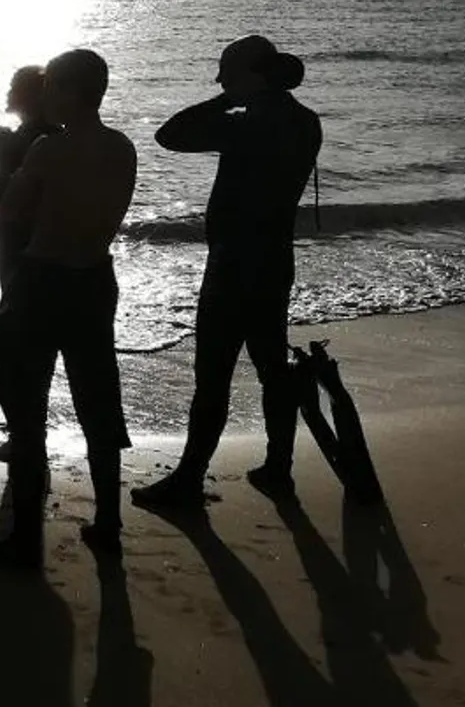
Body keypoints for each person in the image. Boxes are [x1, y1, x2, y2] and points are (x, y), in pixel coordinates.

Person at [132, 34, 322, 509]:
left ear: (253, 76)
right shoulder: (305, 121)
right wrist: (240, 97)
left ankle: (189, 479)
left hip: (234, 265)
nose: (220, 81)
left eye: (227, 74)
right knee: (271, 368)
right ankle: (278, 467)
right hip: (274, 260)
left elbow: (169, 134)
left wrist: (225, 102)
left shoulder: (249, 124)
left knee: (213, 378)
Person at [0, 49, 137, 565]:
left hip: (43, 279)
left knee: (27, 406)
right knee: (97, 399)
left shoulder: (48, 150)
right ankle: (107, 522)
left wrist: (4, 183)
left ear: (70, 91)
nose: (45, 95)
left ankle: (26, 537)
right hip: (95, 278)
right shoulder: (121, 147)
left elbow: (10, 211)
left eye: (53, 87)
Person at [0, 65, 59, 293]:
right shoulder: (58, 135)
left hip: (17, 236)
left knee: (16, 294)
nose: (8, 93)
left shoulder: (17, 141)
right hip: (50, 239)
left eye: (14, 88)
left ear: (30, 97)